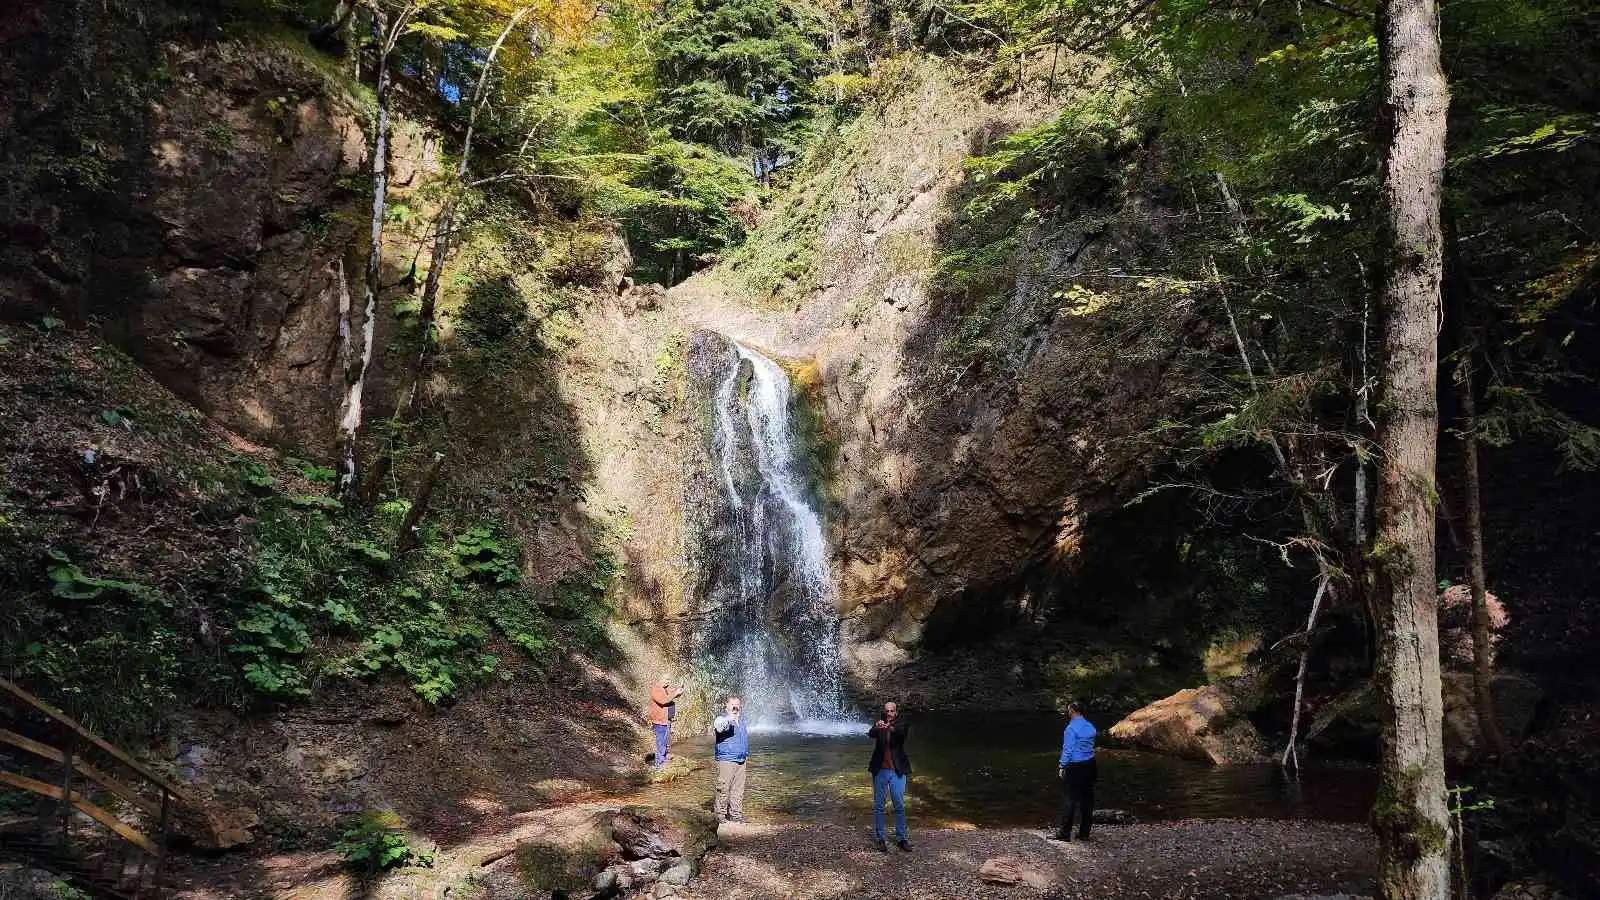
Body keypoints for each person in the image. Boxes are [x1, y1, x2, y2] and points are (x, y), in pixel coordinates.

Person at [867, 700, 912, 852]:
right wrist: (877, 726)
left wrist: (889, 728)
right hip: (880, 771)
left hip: (897, 771)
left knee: (899, 805)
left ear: (896, 712)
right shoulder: (879, 724)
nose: (889, 713)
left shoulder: (901, 724)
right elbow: (871, 733)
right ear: (884, 712)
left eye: (892, 711)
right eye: (887, 711)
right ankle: (881, 838)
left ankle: (902, 838)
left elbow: (901, 733)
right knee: (879, 806)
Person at [1055, 701, 1098, 841]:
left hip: (1075, 765)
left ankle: (1064, 833)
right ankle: (1084, 833)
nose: (1068, 712)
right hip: (1090, 764)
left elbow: (1067, 750)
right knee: (1087, 799)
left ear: (1072, 711)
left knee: (1070, 799)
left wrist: (1062, 766)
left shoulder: (1071, 728)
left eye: (1069, 710)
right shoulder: (1090, 726)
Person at [712, 696, 749, 822]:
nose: (735, 706)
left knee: (738, 790)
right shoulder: (722, 718)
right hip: (727, 759)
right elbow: (718, 727)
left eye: (737, 704)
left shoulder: (742, 720)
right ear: (726, 706)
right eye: (732, 704)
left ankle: (736, 816)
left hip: (741, 759)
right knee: (723, 788)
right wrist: (729, 718)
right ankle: (719, 817)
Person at [648, 676, 684, 771]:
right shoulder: (656, 689)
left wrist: (678, 692)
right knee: (661, 742)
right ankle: (659, 764)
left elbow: (672, 696)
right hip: (660, 721)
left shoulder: (665, 689)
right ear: (661, 679)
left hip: (666, 720)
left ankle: (663, 760)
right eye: (667, 680)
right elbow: (663, 701)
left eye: (669, 680)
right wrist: (675, 693)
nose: (668, 682)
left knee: (665, 742)